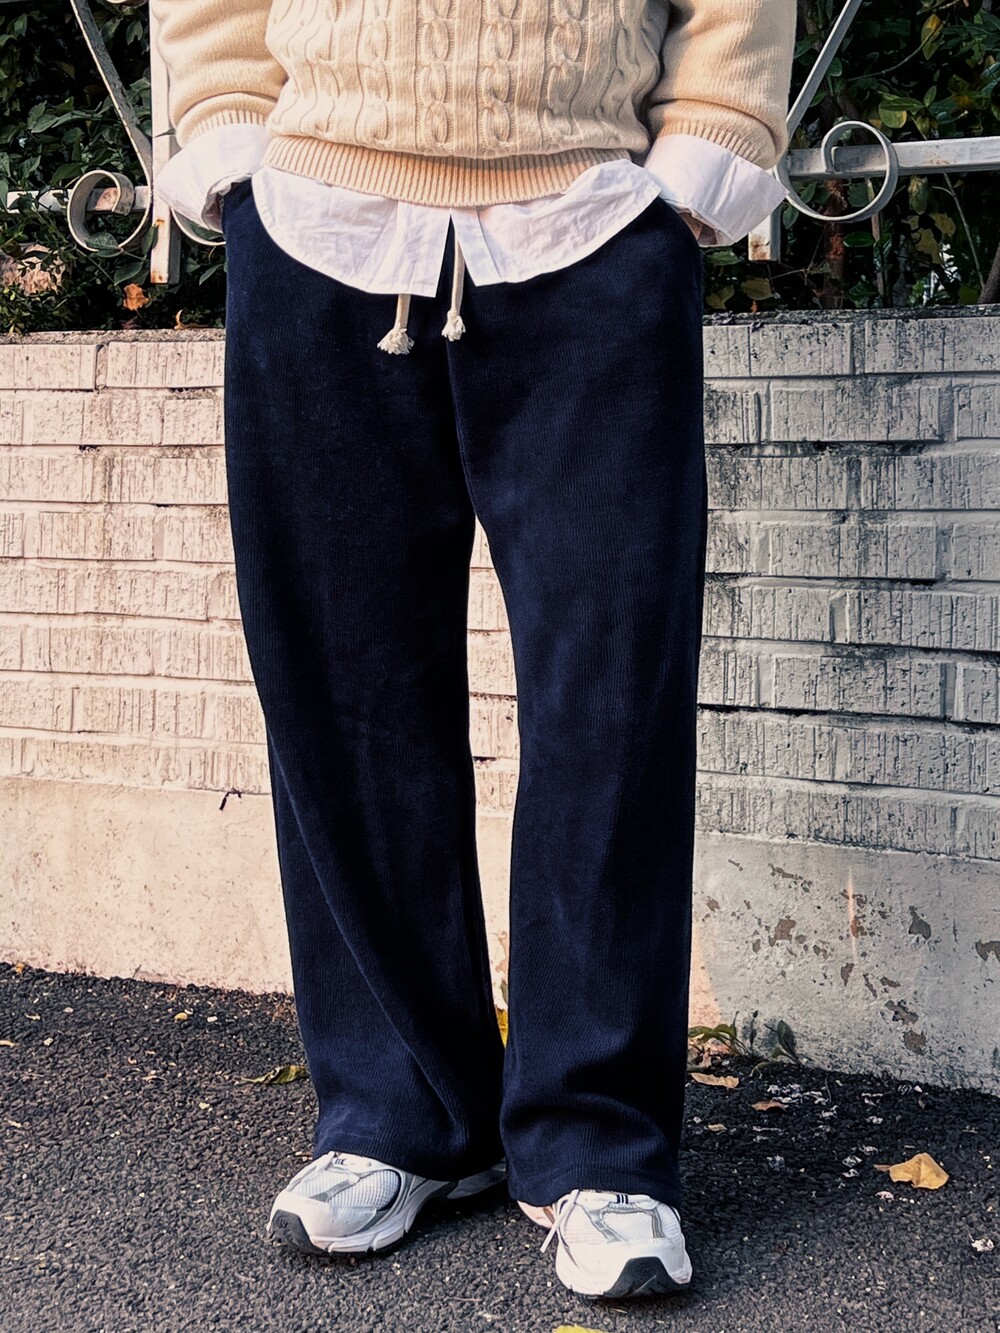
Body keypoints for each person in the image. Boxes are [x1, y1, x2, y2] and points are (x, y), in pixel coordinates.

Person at [151, 0, 795, 1300]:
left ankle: (597, 1142)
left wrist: (700, 153)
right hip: (318, 212)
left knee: (610, 697)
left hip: (595, 221)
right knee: (342, 693)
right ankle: (397, 1112)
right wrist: (227, 133)